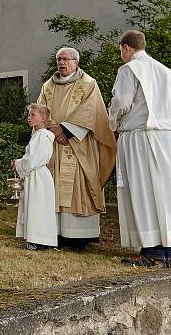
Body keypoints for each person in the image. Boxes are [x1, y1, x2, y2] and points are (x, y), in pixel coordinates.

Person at [108, 30, 171, 268]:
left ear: (126, 48)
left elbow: (121, 102)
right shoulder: (167, 73)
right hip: (169, 140)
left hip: (142, 137)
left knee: (145, 191)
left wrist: (113, 122)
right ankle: (168, 251)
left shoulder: (129, 70)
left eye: (121, 51)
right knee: (167, 193)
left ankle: (154, 252)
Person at [37, 47, 116, 251]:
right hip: (54, 143)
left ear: (76, 62)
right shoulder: (48, 86)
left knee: (79, 187)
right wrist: (54, 130)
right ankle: (52, 233)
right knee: (52, 187)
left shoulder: (89, 84)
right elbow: (40, 110)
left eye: (66, 59)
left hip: (79, 145)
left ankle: (78, 237)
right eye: (59, 60)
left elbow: (92, 111)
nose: (61, 63)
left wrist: (65, 129)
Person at [13, 103, 57, 250]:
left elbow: (33, 160)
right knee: (34, 207)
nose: (29, 118)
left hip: (38, 177)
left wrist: (18, 164)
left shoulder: (43, 136)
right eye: (28, 114)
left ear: (43, 118)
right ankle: (34, 240)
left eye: (33, 115)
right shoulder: (37, 135)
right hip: (35, 175)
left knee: (38, 207)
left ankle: (39, 241)